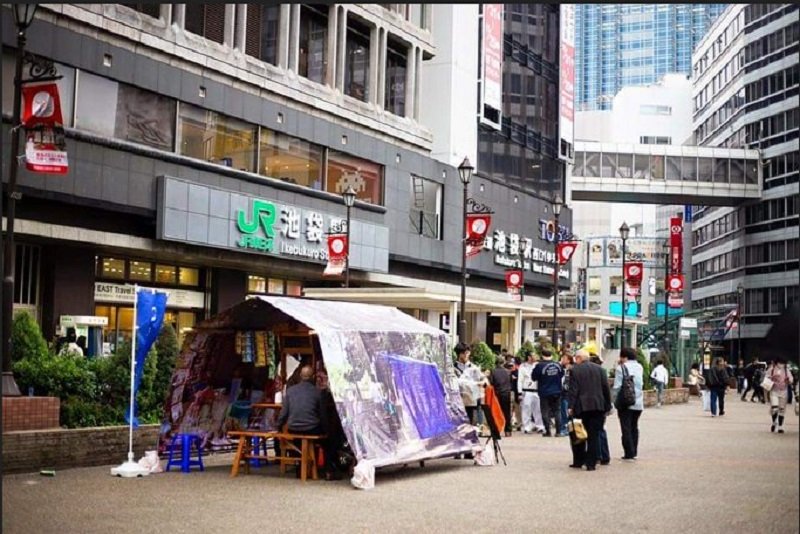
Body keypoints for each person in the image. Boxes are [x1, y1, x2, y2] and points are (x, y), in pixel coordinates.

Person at [567, 349, 612, 471]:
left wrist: (570, 406)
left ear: (579, 358)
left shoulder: (574, 370)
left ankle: (578, 460)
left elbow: (573, 390)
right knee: (594, 435)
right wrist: (608, 405)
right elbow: (606, 389)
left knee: (578, 434)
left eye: (576, 358)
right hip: (598, 406)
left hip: (581, 406)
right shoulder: (600, 369)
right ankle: (591, 463)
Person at [612, 347, 644, 461]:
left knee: (625, 428)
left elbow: (617, 387)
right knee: (634, 427)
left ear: (624, 357)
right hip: (638, 401)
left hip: (626, 402)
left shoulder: (621, 368)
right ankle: (634, 451)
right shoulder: (640, 367)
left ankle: (628, 453)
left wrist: (613, 400)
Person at [532, 348, 564, 437]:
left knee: (545, 411)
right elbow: (561, 375)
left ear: (542, 356)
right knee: (557, 411)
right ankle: (558, 431)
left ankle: (548, 431)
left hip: (544, 392)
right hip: (557, 391)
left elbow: (533, 377)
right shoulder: (558, 365)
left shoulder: (539, 366)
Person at [453, 342, 484, 426]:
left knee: (470, 423)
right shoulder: (452, 368)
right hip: (457, 400)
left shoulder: (474, 368)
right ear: (459, 354)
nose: (467, 355)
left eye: (468, 353)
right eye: (464, 353)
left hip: (471, 401)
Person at [589, 353, 611, 465]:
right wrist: (608, 405)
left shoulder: (590, 373)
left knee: (594, 431)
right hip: (601, 405)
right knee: (601, 430)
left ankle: (597, 455)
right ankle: (604, 455)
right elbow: (606, 390)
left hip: (593, 406)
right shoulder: (602, 372)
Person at [518, 349, 545, 434]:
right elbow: (520, 380)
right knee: (526, 409)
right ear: (529, 357)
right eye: (533, 355)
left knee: (538, 409)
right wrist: (519, 392)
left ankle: (540, 426)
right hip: (527, 391)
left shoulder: (538, 365)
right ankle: (527, 426)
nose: (535, 357)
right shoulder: (523, 366)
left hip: (537, 390)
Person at [766, 357, 794, 433]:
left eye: (783, 363)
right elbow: (766, 378)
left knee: (782, 409)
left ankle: (780, 426)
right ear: (776, 362)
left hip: (783, 391)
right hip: (774, 391)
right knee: (774, 408)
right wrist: (772, 377)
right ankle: (774, 422)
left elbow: (791, 379)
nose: (781, 365)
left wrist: (788, 380)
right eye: (780, 363)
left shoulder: (786, 370)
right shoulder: (771, 369)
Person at [489, 357, 513, 436]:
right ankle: (508, 430)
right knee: (507, 412)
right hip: (506, 393)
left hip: (497, 393)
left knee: (496, 412)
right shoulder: (508, 372)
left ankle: (496, 429)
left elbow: (491, 382)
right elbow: (510, 382)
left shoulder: (493, 372)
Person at [509, 357, 523, 431]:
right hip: (511, 391)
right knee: (511, 408)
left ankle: (519, 423)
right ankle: (511, 423)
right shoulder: (510, 372)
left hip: (516, 392)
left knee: (517, 408)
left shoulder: (518, 372)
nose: (512, 367)